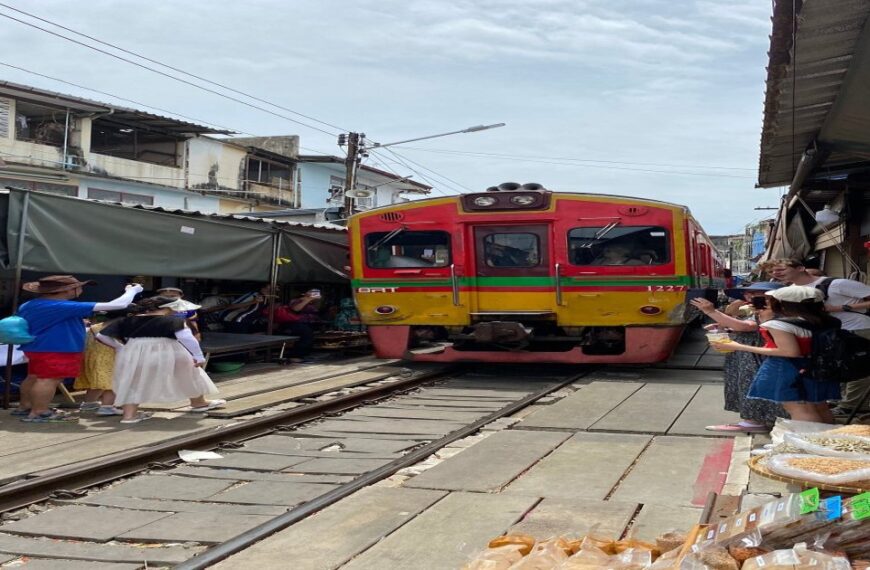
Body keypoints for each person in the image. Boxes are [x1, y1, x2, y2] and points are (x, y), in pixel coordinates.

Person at [13, 276, 142, 423]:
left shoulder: (30, 304)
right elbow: (118, 305)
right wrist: (133, 291)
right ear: (68, 290)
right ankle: (40, 411)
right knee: (48, 380)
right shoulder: (60, 306)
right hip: (57, 348)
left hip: (38, 347)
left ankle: (25, 406)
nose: (81, 290)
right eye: (79, 286)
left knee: (34, 377)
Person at [709, 285, 842, 423]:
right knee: (820, 406)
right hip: (821, 366)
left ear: (784, 303)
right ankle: (824, 440)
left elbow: (789, 351)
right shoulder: (829, 320)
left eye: (771, 299)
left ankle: (806, 442)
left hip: (789, 368)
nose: (768, 301)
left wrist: (739, 346)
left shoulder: (779, 324)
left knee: (799, 409)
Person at [97, 296, 225, 424]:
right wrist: (198, 356)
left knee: (132, 382)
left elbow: (101, 335)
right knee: (189, 374)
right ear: (166, 308)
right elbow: (186, 338)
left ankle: (129, 416)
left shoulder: (127, 320)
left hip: (133, 352)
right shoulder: (173, 320)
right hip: (169, 351)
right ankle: (199, 403)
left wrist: (119, 347)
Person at [770, 258, 870, 416]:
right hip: (828, 334)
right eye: (773, 271)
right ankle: (842, 401)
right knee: (837, 368)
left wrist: (838, 308)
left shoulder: (837, 284)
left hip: (858, 329)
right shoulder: (791, 289)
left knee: (859, 367)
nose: (776, 273)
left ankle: (851, 406)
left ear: (801, 268)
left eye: (781, 268)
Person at [690, 282, 787, 432]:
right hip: (750, 353)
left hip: (757, 354)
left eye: (755, 293)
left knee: (751, 384)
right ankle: (756, 419)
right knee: (745, 383)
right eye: (748, 294)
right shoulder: (761, 310)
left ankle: (755, 420)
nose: (749, 297)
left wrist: (711, 312)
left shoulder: (771, 311)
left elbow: (746, 326)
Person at [75, 317, 123, 417]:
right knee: (111, 383)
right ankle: (107, 407)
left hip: (93, 357)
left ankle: (89, 403)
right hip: (109, 358)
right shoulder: (117, 326)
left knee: (97, 383)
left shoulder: (94, 327)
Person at [272, 289, 321, 362]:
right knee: (306, 332)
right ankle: (295, 356)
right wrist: (307, 299)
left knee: (309, 333)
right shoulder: (297, 300)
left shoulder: (314, 303)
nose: (314, 294)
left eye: (316, 292)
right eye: (312, 292)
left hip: (309, 324)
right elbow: (296, 309)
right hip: (293, 323)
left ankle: (303, 355)